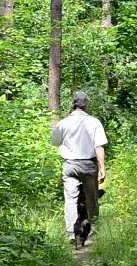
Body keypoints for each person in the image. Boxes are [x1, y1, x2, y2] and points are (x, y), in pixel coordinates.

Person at [52, 91, 107, 242]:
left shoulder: (63, 123)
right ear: (86, 105)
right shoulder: (94, 122)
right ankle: (94, 230)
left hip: (70, 165)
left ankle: (71, 233)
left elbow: (56, 142)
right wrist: (102, 168)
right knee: (92, 198)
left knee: (70, 199)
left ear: (73, 104)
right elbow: (99, 146)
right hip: (89, 165)